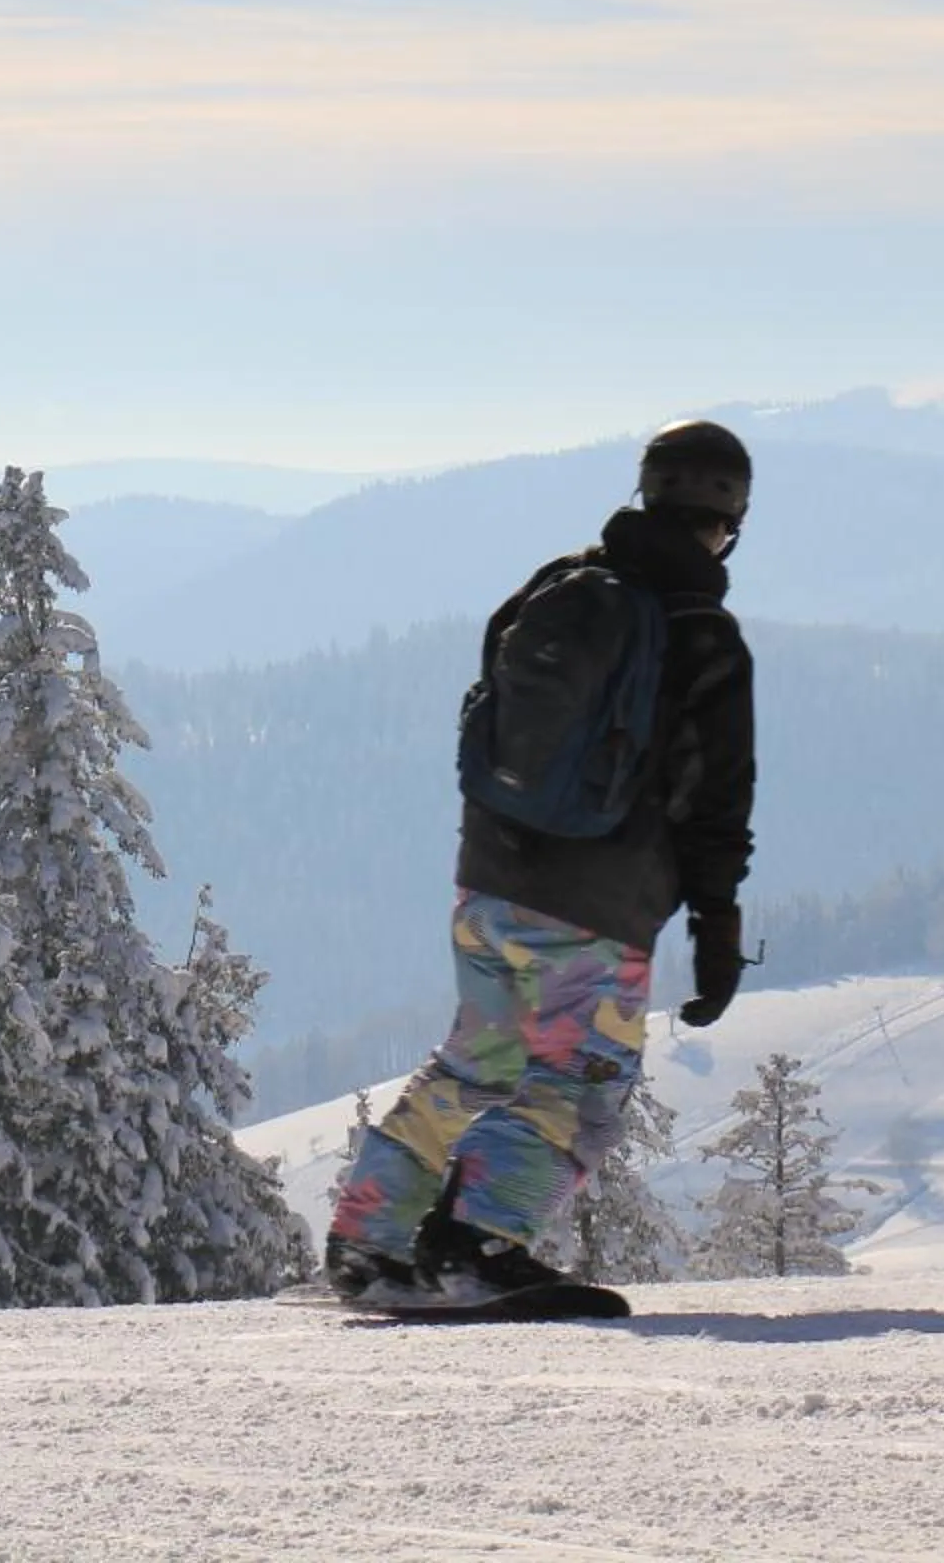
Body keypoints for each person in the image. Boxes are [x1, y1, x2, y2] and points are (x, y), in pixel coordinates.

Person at [324, 419, 758, 1303]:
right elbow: (717, 797)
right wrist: (718, 921)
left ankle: (369, 1238)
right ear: (729, 520)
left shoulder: (556, 586)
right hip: (596, 903)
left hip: (490, 877)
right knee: (582, 1082)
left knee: (476, 1061)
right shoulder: (699, 630)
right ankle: (475, 1247)